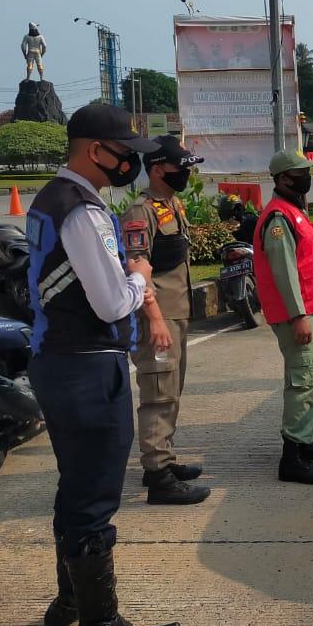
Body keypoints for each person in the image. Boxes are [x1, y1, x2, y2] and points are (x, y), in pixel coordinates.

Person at [26, 103, 183, 626]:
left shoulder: (48, 198)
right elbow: (110, 300)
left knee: (75, 484)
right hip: (88, 365)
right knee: (94, 496)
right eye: (124, 155)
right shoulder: (83, 211)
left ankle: (71, 596)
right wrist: (139, 278)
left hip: (55, 360)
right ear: (96, 151)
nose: (128, 165)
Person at [121, 135, 210, 505]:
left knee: (171, 390)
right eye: (181, 167)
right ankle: (159, 477)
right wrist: (154, 319)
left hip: (176, 312)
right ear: (158, 169)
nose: (186, 173)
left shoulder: (170, 204)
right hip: (158, 317)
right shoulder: (140, 212)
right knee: (158, 393)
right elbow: (136, 268)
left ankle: (163, 461)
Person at [253, 150, 313, 485]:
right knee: (302, 382)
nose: (306, 179)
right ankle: (292, 457)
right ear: (282, 180)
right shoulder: (279, 219)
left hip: (309, 311)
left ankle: (305, 440)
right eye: (300, 173)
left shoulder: (291, 211)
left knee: (312, 378)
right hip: (298, 316)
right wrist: (298, 316)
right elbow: (285, 273)